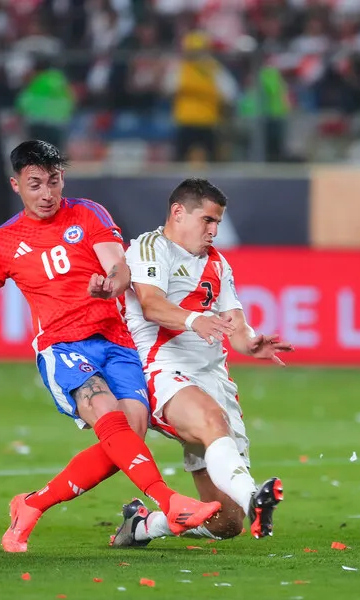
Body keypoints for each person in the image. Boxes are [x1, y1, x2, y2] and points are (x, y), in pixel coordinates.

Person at [0, 141, 221, 553]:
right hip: (62, 345)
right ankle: (170, 502)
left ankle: (32, 505)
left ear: (62, 178)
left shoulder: (87, 213)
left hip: (115, 340)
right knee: (105, 411)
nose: (47, 193)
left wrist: (110, 284)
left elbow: (120, 266)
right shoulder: (3, 240)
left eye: (53, 181)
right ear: (15, 185)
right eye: (35, 184)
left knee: (129, 433)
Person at [111, 178, 293, 547]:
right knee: (212, 420)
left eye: (217, 223)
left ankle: (143, 526)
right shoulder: (150, 246)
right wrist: (195, 320)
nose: (213, 231)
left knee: (227, 522)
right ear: (178, 212)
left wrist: (250, 343)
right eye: (207, 220)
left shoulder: (217, 263)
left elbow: (235, 324)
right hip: (163, 369)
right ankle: (254, 498)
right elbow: (151, 304)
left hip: (213, 379)